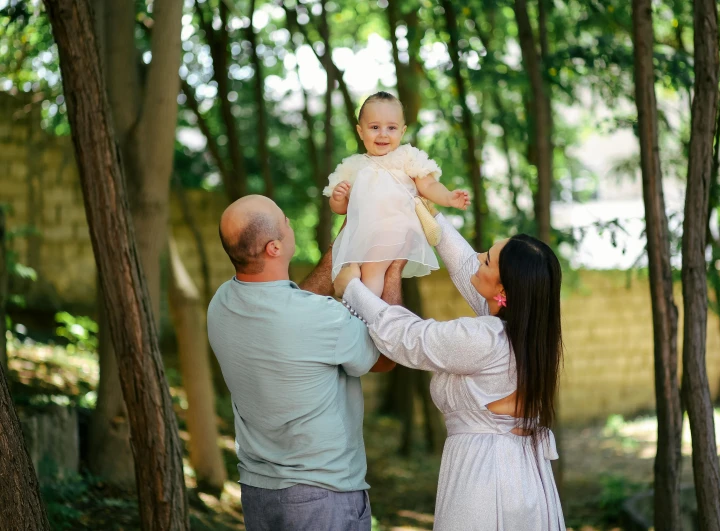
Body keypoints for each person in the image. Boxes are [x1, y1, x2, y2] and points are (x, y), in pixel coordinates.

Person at [334, 209, 566, 530]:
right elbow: (468, 266)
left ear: (504, 291)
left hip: (487, 478)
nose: (479, 257)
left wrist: (352, 289)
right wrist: (436, 222)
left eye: (487, 260)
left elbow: (412, 339)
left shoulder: (486, 338)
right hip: (522, 474)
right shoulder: (531, 333)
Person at [207, 195, 400, 531]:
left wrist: (347, 238)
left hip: (259, 491)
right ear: (274, 248)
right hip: (322, 496)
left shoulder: (221, 304)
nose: (290, 224)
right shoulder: (321, 319)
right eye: (285, 221)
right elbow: (385, 357)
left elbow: (296, 304)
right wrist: (395, 270)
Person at [324, 91, 470, 296]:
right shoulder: (353, 166)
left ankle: (367, 315)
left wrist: (448, 197)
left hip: (395, 228)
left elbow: (428, 185)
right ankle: (360, 307)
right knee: (354, 272)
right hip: (363, 235)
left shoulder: (406, 157)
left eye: (391, 128)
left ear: (402, 132)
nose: (383, 134)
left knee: (372, 270)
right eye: (374, 127)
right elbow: (341, 209)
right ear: (360, 131)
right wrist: (338, 198)